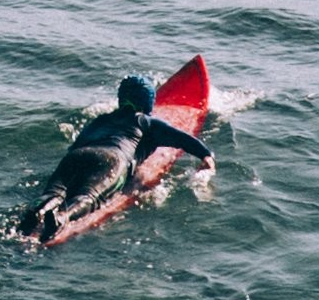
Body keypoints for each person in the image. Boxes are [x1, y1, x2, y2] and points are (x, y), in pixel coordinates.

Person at [21, 71, 206, 242]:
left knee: (55, 192)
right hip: (113, 159)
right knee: (90, 196)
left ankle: (39, 210)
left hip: (77, 156)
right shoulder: (146, 122)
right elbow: (183, 139)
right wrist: (207, 157)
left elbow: (75, 146)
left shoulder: (101, 119)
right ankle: (62, 217)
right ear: (148, 101)